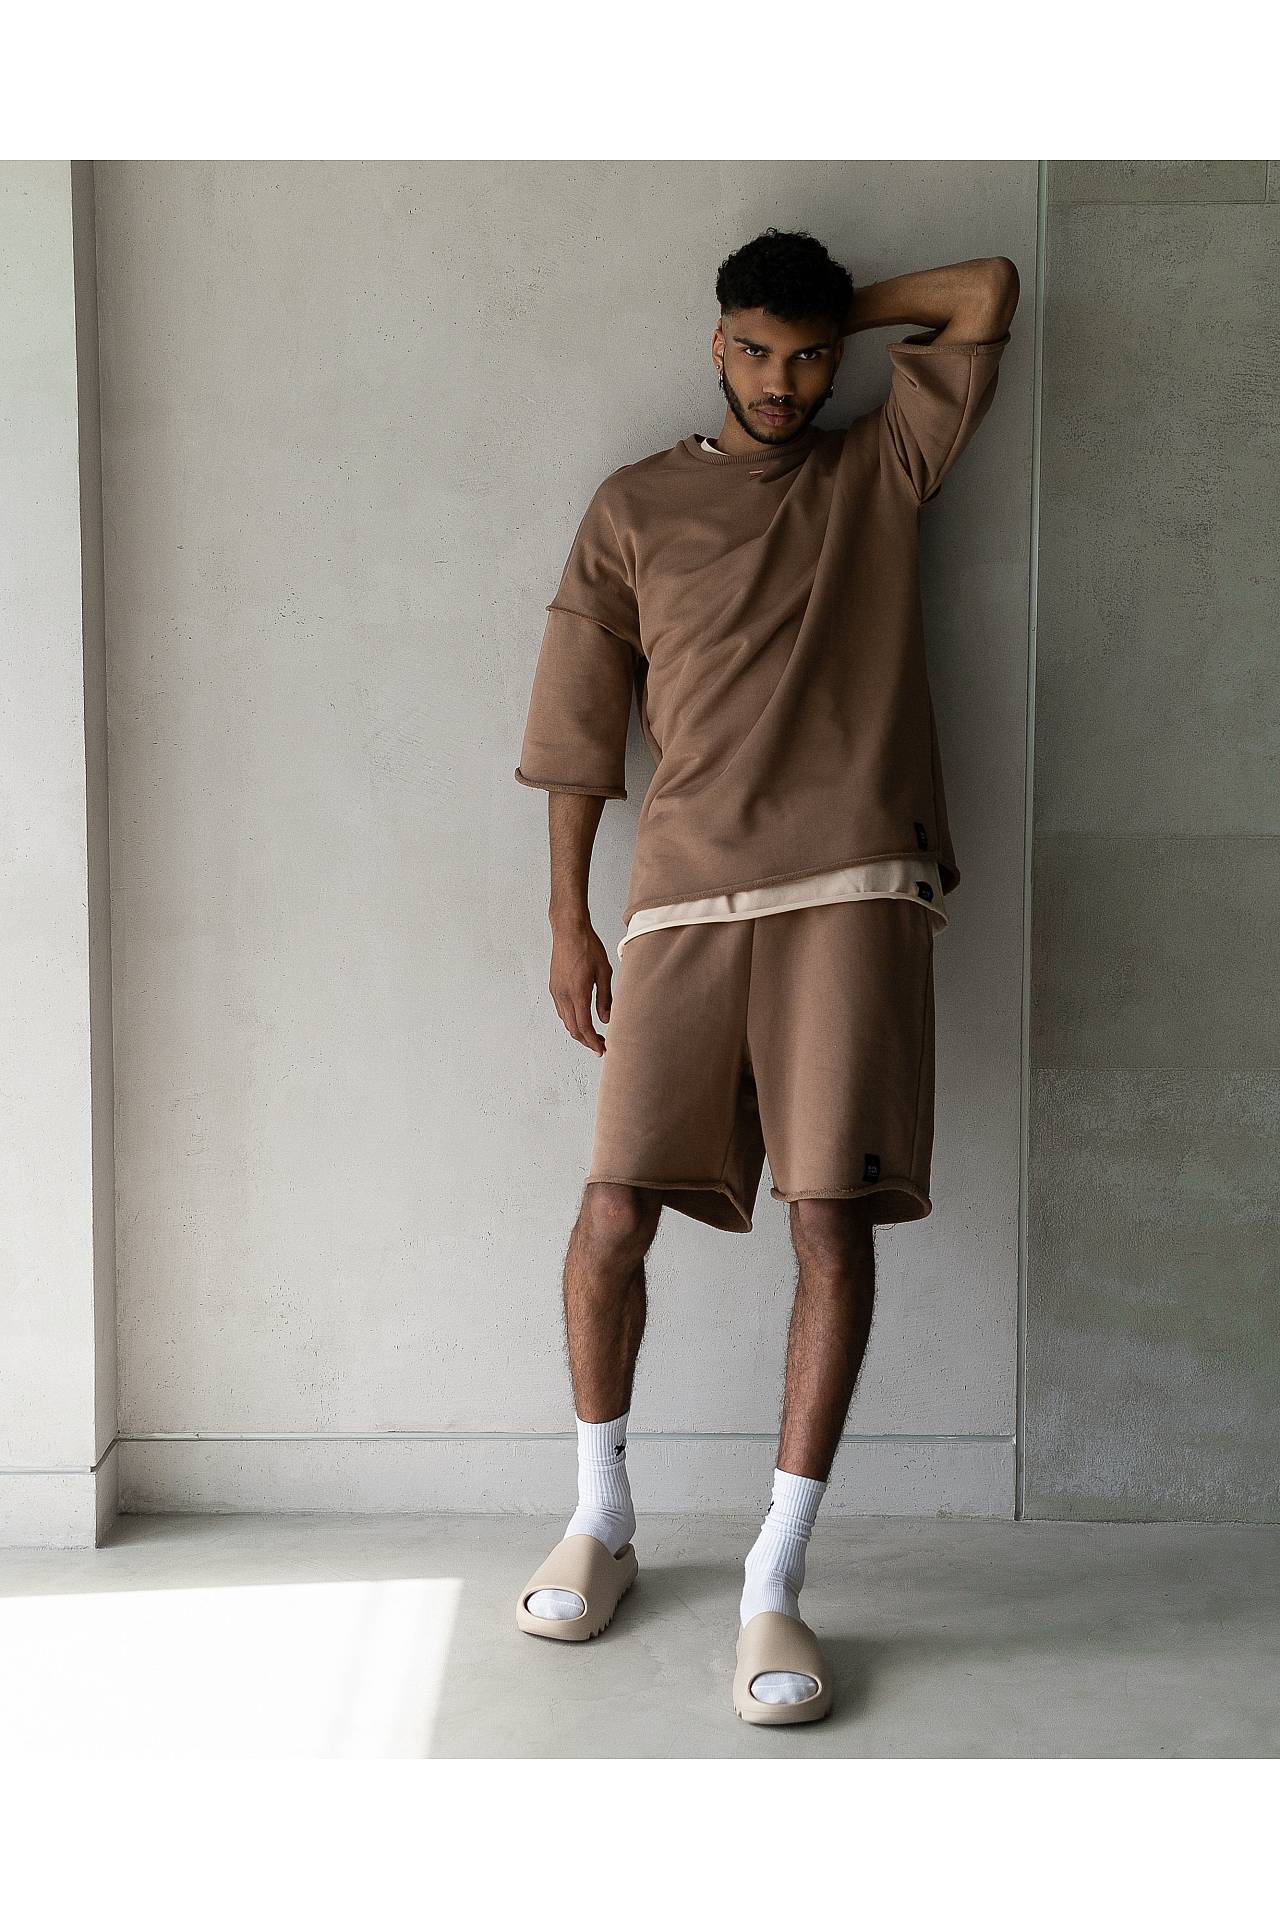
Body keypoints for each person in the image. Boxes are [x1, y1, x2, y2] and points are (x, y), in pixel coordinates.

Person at [511, 226, 1017, 1725]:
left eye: (807, 356)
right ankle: (600, 1516)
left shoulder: (881, 468)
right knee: (613, 1213)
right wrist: (568, 920)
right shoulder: (634, 505)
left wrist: (843, 316)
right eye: (755, 350)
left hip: (853, 885)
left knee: (828, 1225)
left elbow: (985, 291)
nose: (783, 381)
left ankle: (776, 1579)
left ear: (837, 357)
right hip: (680, 899)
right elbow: (577, 730)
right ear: (714, 343)